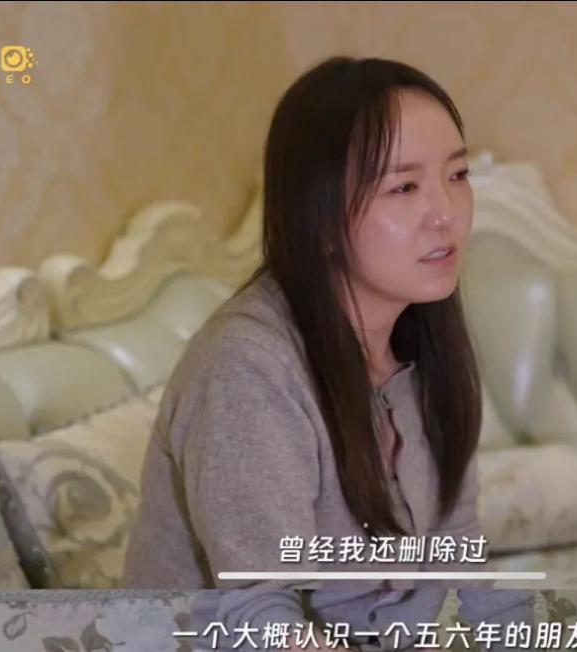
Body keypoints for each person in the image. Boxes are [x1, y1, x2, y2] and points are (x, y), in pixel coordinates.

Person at [122, 56, 535, 650]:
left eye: (458, 175)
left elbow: (459, 562)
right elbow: (262, 618)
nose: (445, 213)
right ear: (318, 214)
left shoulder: (424, 343)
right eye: (404, 187)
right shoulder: (247, 365)